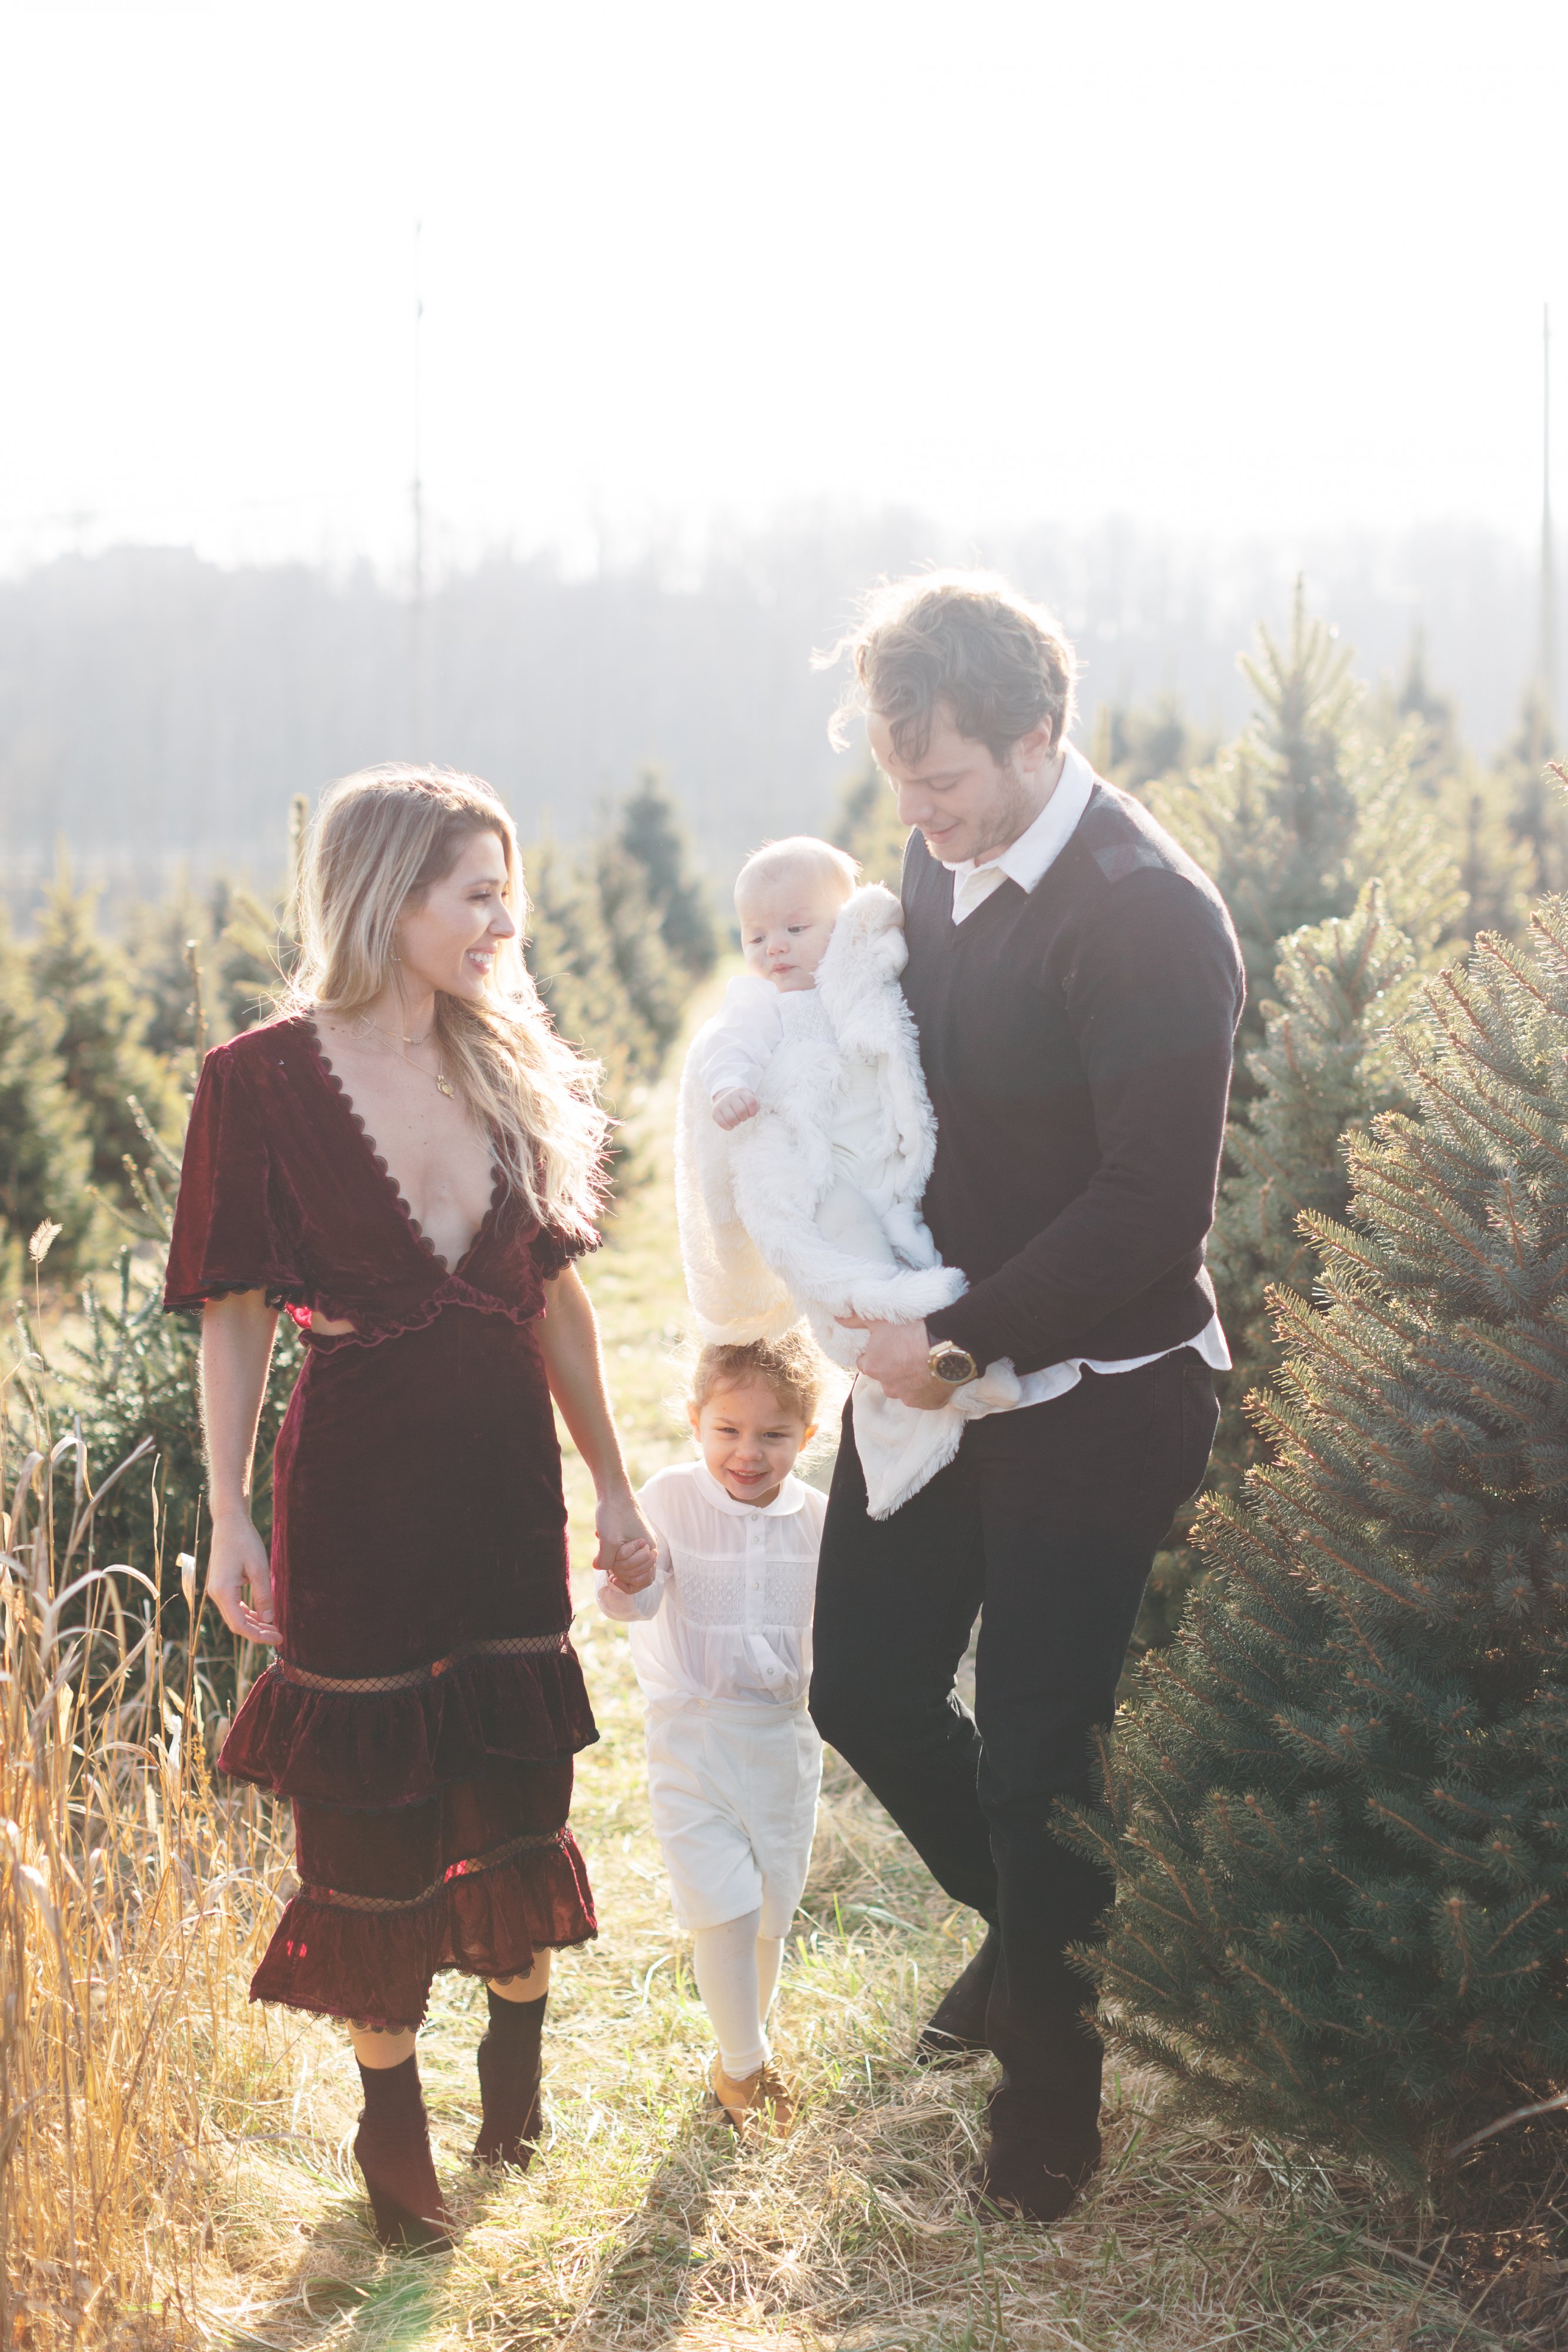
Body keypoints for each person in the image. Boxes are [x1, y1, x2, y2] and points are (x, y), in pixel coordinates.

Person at [164, 764, 656, 2253]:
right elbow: (235, 1312)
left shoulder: (515, 1061)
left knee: (516, 1773)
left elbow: (556, 1302)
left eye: (510, 891)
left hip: (505, 1480)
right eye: (477, 894)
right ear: (390, 897)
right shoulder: (259, 1079)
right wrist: (231, 1510)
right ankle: (390, 2113)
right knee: (367, 1804)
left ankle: (518, 2043)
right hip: (358, 1484)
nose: (505, 921)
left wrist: (616, 1479)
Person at [808, 574, 1243, 2225]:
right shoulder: (935, 851)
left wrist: (966, 1337)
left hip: (1099, 1387)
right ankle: (1026, 1935)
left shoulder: (1144, 915)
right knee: (862, 1688)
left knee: (1037, 1755)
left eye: (944, 781)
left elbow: (1151, 1212)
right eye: (895, 778)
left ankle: (1047, 2124)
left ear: (1042, 735)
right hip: (942, 1368)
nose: (914, 815)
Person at [677, 837, 1018, 1519]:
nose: (775, 947)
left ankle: (967, 1365)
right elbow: (728, 1047)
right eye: (756, 935)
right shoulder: (761, 1004)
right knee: (861, 1273)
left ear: (840, 928)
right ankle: (950, 1381)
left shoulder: (855, 988)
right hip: (823, 1175)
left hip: (887, 1166)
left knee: (913, 1246)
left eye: (796, 929)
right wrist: (730, 1090)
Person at [594, 1331, 828, 2134]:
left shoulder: (819, 1521)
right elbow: (635, 1601)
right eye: (727, 1431)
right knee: (720, 1908)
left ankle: (739, 2045)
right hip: (691, 1735)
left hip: (784, 1744)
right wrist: (627, 1575)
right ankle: (744, 2070)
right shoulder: (668, 1499)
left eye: (772, 1435)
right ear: (695, 1422)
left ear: (807, 1435)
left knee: (767, 1913)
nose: (747, 1454)